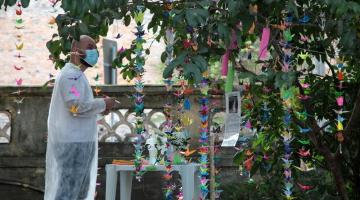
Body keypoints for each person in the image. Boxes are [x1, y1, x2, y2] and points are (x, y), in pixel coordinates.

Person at [45, 35, 115, 200]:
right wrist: (103, 103)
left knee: (79, 192)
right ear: (76, 51)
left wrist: (100, 109)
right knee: (69, 192)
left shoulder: (76, 75)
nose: (95, 51)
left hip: (79, 142)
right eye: (90, 47)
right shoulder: (71, 76)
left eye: (95, 48)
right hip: (73, 143)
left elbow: (79, 108)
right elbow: (75, 106)